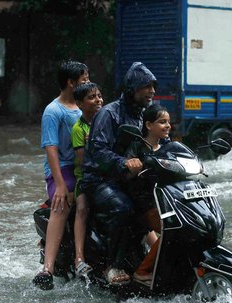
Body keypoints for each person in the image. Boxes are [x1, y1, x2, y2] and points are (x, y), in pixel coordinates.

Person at [80, 62, 159, 286]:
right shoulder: (109, 114)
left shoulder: (145, 115)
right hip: (100, 179)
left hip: (132, 179)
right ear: (132, 88)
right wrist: (124, 162)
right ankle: (112, 266)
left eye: (153, 86)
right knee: (124, 208)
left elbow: (159, 140)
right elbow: (98, 151)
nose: (152, 91)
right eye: (146, 86)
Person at [33, 60, 89, 290]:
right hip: (63, 168)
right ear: (70, 82)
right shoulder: (53, 110)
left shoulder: (87, 106)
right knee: (61, 204)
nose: (88, 83)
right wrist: (59, 184)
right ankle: (47, 268)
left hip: (85, 167)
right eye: (84, 80)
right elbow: (51, 149)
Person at [125, 104, 171, 283]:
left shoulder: (169, 146)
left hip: (167, 201)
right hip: (145, 204)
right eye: (162, 122)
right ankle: (143, 271)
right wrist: (133, 166)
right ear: (149, 125)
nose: (167, 126)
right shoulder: (137, 146)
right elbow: (127, 172)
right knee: (170, 231)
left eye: (168, 122)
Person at [70, 82, 103, 280]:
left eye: (99, 96)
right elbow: (82, 161)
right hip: (86, 178)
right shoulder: (78, 129)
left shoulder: (107, 120)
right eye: (92, 97)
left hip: (109, 175)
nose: (98, 100)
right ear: (80, 104)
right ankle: (79, 258)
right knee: (82, 208)